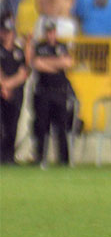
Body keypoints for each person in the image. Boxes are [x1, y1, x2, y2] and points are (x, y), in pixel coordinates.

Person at [31, 21, 73, 166]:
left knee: (61, 127)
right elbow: (37, 64)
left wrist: (47, 63)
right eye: (48, 32)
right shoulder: (40, 47)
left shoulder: (62, 46)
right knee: (42, 126)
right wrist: (57, 64)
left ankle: (64, 160)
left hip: (59, 92)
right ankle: (40, 157)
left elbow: (68, 63)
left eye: (52, 31)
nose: (50, 35)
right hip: (44, 92)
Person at [0, 16, 28, 164]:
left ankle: (9, 157)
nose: (7, 34)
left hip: (15, 93)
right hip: (2, 92)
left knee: (12, 126)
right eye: (4, 31)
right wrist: (3, 86)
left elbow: (24, 72)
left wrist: (8, 85)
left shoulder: (18, 51)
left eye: (9, 31)